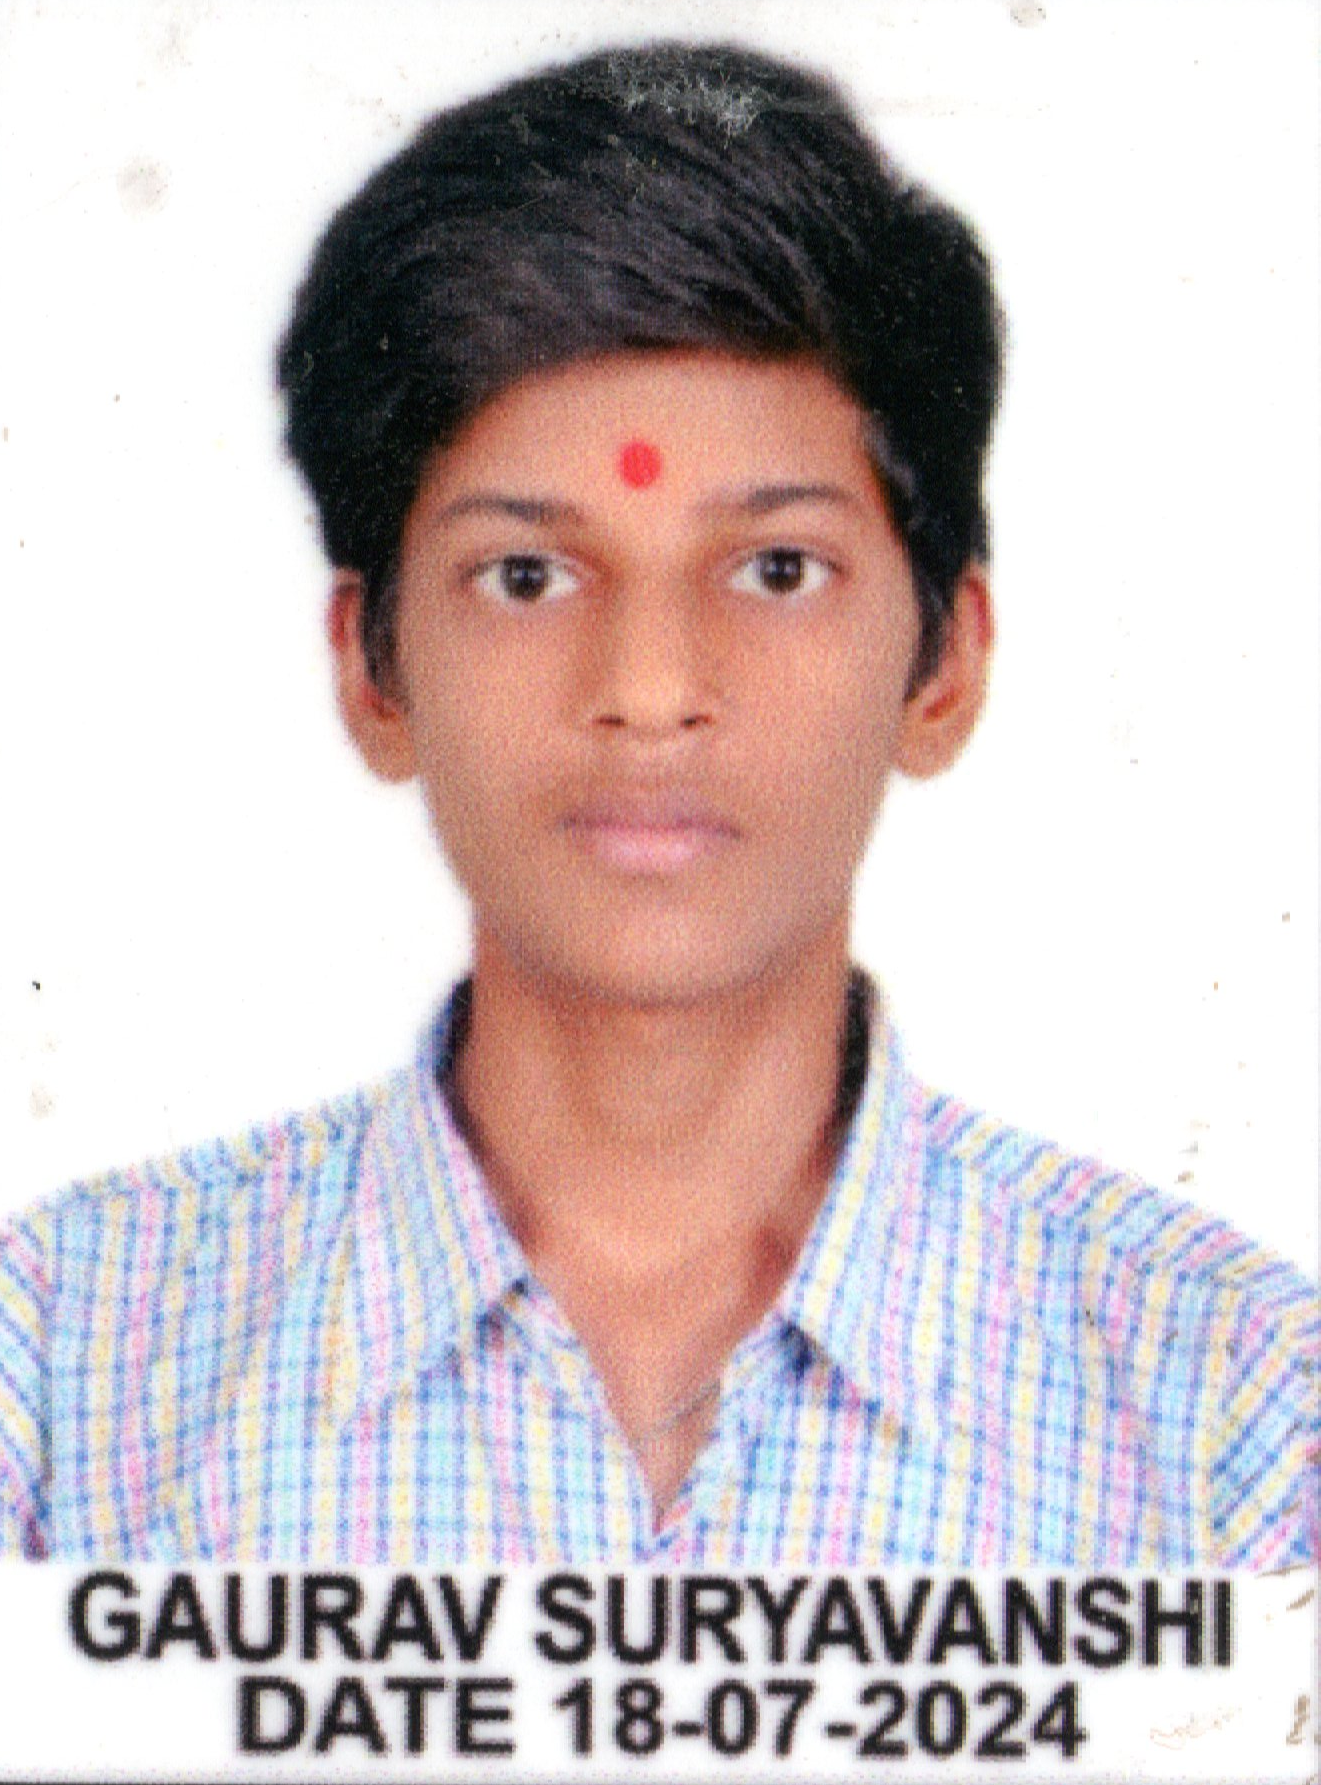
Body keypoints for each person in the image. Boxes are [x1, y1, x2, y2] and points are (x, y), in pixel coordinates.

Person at [0, 41, 1314, 1566]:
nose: (646, 690)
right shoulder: (66, 1375)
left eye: (776, 569)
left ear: (945, 662)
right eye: (526, 575)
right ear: (371, 669)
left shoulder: (1240, 1419)